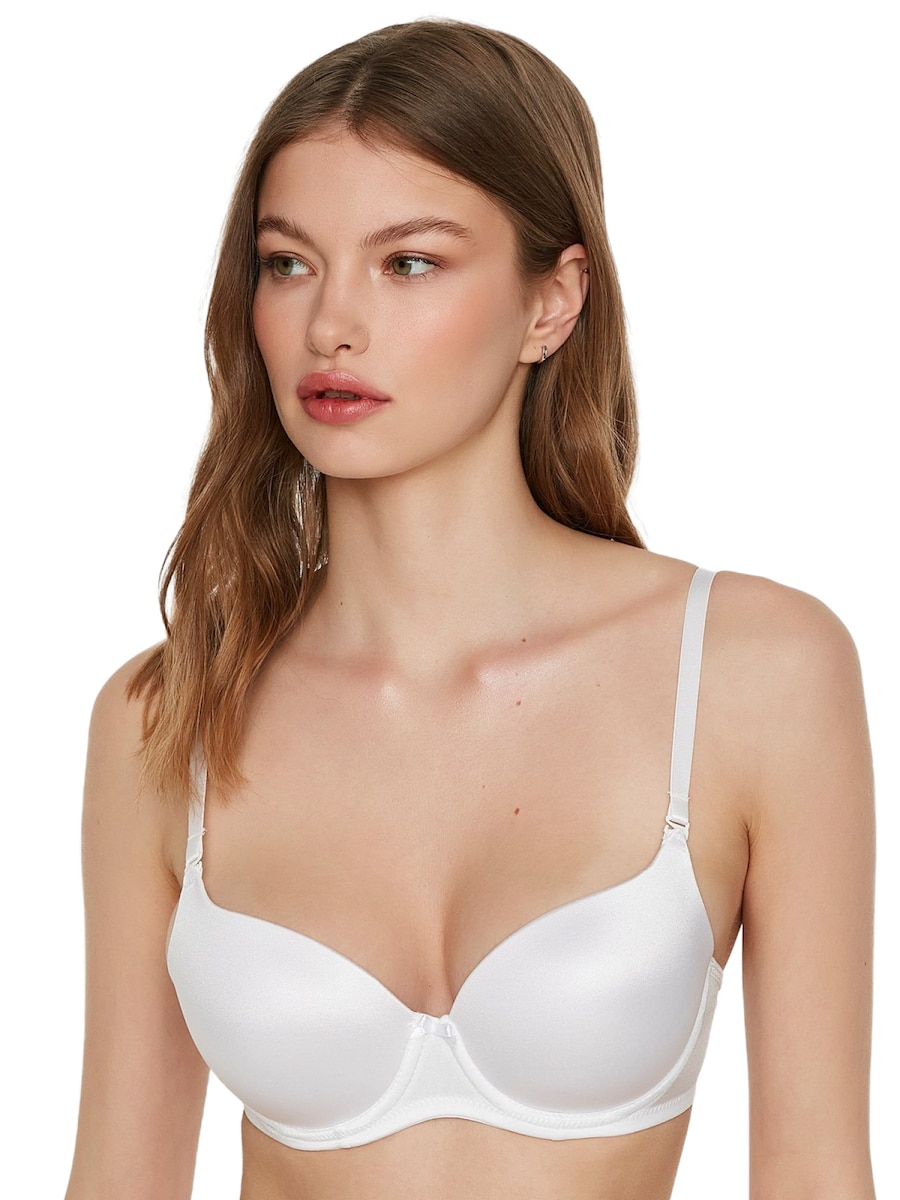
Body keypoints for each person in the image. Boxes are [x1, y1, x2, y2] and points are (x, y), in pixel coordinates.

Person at [64, 18, 876, 1200]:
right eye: (289, 263)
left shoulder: (756, 673)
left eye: (408, 263)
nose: (330, 324)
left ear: (553, 302)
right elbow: (116, 1180)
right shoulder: (165, 715)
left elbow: (814, 1170)